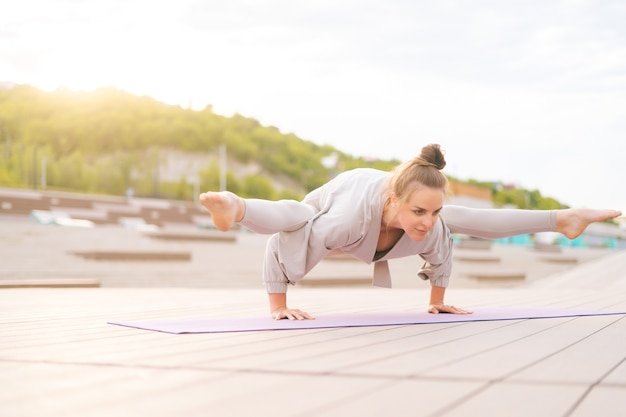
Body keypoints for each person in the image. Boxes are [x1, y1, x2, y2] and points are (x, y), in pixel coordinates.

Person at [199, 144, 622, 320]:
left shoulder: (429, 221)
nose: (426, 220)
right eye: (419, 211)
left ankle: (561, 219)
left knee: (457, 219)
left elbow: (442, 250)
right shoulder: (344, 218)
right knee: (296, 215)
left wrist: (437, 301)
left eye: (431, 211)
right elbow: (283, 244)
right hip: (334, 199)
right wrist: (278, 306)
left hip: (385, 206)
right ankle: (236, 206)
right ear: (393, 203)